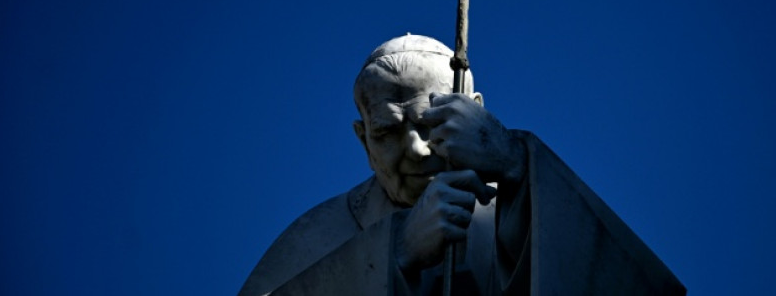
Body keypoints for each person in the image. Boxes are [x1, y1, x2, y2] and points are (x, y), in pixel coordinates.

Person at [239, 35, 685, 296]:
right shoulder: (317, 234)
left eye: (431, 122)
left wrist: (515, 160)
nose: (416, 150)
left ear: (475, 113)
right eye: (387, 132)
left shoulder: (525, 201)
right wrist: (395, 251)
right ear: (363, 139)